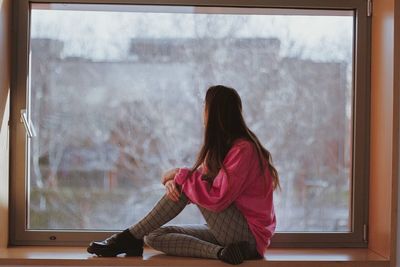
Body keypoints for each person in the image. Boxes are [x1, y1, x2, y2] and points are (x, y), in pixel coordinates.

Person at [87, 85, 280, 265]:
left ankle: (126, 238)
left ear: (216, 112)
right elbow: (195, 181)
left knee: (187, 183)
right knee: (152, 236)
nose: (202, 111)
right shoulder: (224, 150)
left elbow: (217, 197)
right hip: (232, 238)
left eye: (205, 106)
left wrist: (179, 177)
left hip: (249, 238)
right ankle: (221, 253)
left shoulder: (244, 150)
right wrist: (175, 181)